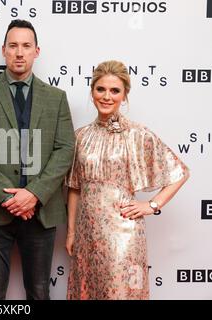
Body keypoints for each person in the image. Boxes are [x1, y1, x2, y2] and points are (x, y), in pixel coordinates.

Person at [0, 19, 75, 300]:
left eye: (26, 46)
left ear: (37, 51)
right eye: (13, 45)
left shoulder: (56, 97)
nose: (19, 52)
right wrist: (11, 199)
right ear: (4, 50)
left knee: (39, 291)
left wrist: (34, 194)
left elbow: (65, 150)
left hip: (41, 211)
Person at [65, 60, 189, 300]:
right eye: (101, 89)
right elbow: (75, 188)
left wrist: (151, 205)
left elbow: (180, 172)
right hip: (87, 235)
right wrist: (71, 232)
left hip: (123, 235)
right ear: (92, 93)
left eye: (115, 91)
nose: (107, 96)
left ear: (125, 96)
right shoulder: (81, 136)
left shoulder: (137, 134)